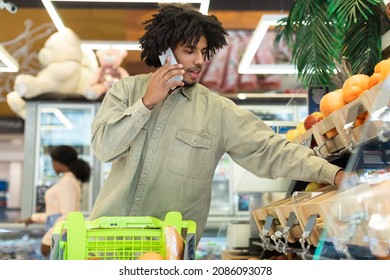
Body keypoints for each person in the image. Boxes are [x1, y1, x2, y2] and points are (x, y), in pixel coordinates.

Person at [88, 3, 345, 244]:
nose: (199, 60)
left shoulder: (217, 111)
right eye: (190, 51)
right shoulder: (126, 91)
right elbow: (104, 148)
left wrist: (332, 173)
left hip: (171, 249)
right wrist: (146, 104)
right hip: (107, 241)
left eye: (202, 52)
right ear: (165, 51)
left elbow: (270, 150)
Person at [19, 145, 91, 257]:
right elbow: (54, 214)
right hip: (59, 234)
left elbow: (67, 216)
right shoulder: (69, 181)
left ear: (58, 162)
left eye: (52, 161)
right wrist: (33, 218)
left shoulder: (67, 183)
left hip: (60, 235)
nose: (52, 165)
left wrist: (48, 240)